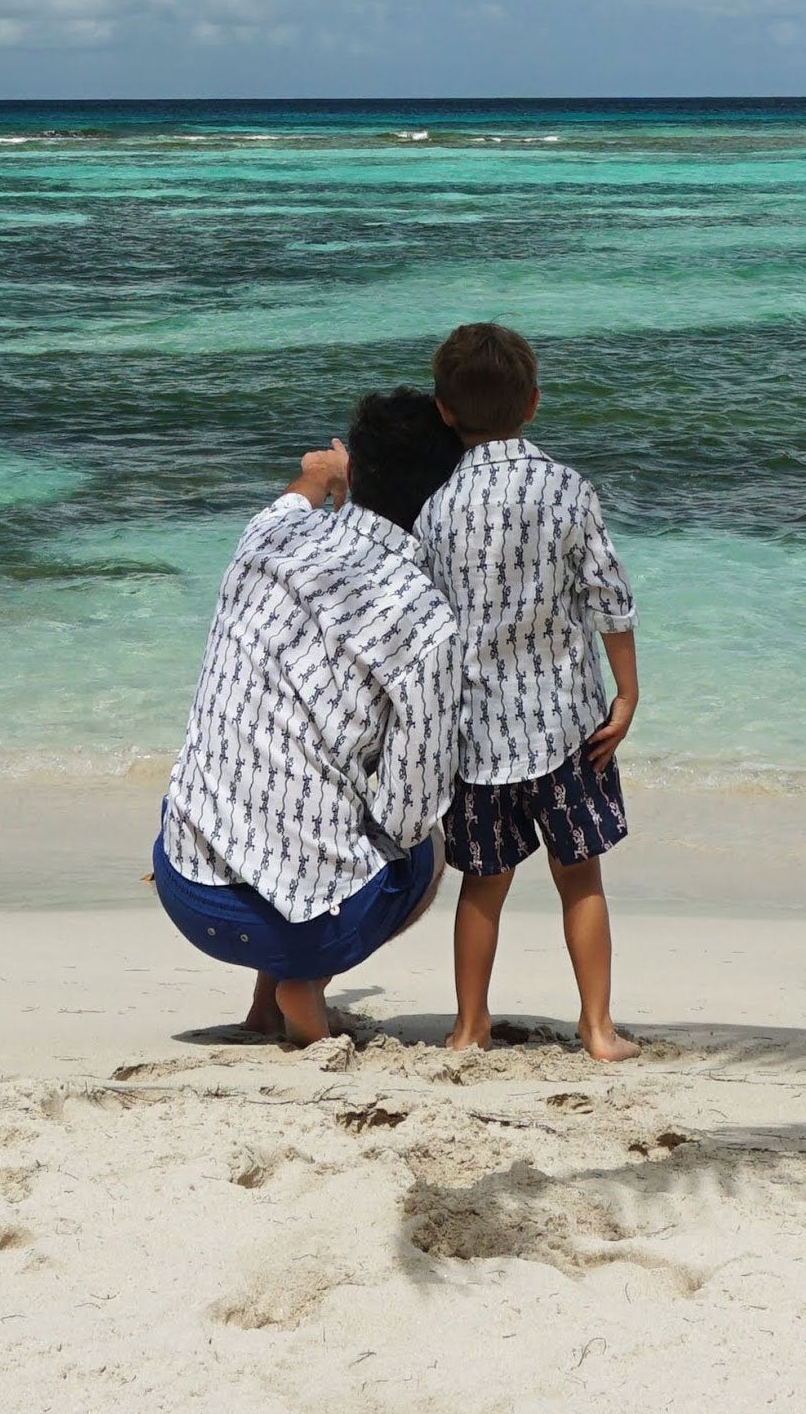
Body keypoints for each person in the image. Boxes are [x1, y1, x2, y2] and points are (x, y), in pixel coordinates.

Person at [153, 389, 466, 1047]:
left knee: (269, 770)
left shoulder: (270, 534)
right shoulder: (427, 617)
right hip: (293, 926)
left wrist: (322, 473)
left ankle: (264, 1008)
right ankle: (306, 988)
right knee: (425, 847)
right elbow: (412, 808)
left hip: (184, 885)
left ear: (355, 472)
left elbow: (300, 489)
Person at [413, 320, 641, 1062]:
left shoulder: (437, 510)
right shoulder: (568, 490)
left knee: (482, 883)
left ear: (444, 410)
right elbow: (610, 598)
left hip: (479, 737)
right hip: (569, 725)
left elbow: (426, 621)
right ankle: (598, 1028)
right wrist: (628, 696)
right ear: (535, 402)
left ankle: (469, 1026)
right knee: (580, 877)